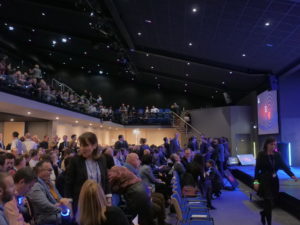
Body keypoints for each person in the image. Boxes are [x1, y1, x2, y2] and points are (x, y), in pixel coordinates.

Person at [254, 137, 298, 225]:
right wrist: (256, 182)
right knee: (268, 201)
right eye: (271, 144)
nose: (273, 146)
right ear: (266, 145)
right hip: (264, 180)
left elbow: (284, 166)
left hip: (274, 181)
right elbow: (257, 169)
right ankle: (269, 222)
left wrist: (292, 175)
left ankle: (263, 214)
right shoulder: (261, 154)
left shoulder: (277, 155)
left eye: (275, 144)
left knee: (271, 203)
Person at [65, 132, 110, 213]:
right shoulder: (75, 160)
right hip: (81, 202)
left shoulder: (102, 159)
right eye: (81, 145)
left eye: (85, 145)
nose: (82, 148)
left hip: (100, 200)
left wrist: (108, 197)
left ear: (95, 145)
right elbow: (69, 183)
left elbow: (106, 179)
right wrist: (69, 203)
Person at [27, 160, 71, 225]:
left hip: (54, 213)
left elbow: (59, 198)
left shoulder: (49, 183)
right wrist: (63, 209)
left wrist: (65, 204)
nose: (51, 172)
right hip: (46, 218)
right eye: (49, 170)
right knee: (73, 217)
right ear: (40, 171)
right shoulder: (35, 186)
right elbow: (46, 206)